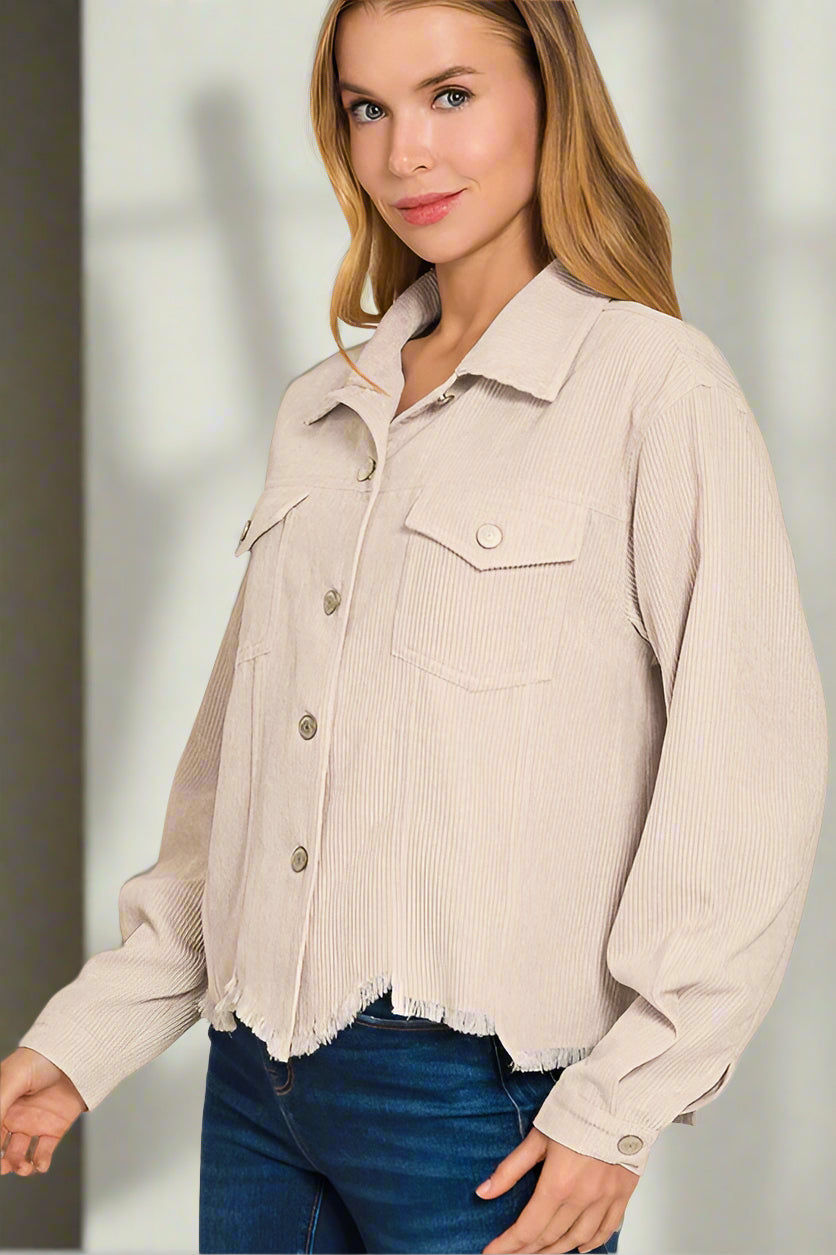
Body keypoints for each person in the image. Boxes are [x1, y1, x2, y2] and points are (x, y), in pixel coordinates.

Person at [2, 1, 828, 1252]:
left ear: (548, 97)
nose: (404, 156)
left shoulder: (653, 389)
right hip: (257, 1084)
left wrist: (621, 1108)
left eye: (449, 96)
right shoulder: (323, 412)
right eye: (367, 109)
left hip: (475, 1106)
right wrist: (87, 1038)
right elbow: (236, 785)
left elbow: (747, 771)